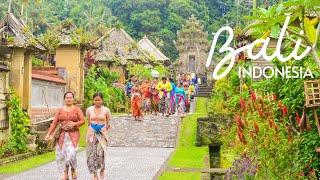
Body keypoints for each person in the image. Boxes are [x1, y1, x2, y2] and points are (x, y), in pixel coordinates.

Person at [45, 92, 85, 180]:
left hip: (73, 135)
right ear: (64, 99)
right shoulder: (60, 110)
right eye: (67, 97)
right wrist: (49, 134)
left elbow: (83, 121)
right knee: (62, 155)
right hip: (62, 136)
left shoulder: (77, 109)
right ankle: (65, 174)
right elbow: (54, 123)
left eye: (70, 97)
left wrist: (74, 124)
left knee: (71, 154)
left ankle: (73, 169)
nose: (69, 99)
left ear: (73, 99)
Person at [86, 92, 111, 180]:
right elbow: (88, 122)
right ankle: (95, 175)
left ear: (102, 100)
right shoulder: (89, 110)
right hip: (91, 134)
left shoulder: (106, 110)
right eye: (95, 100)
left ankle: (102, 170)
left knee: (100, 154)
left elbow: (108, 123)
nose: (97, 102)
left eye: (99, 100)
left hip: (102, 134)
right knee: (92, 154)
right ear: (93, 100)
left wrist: (102, 130)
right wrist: (90, 132)